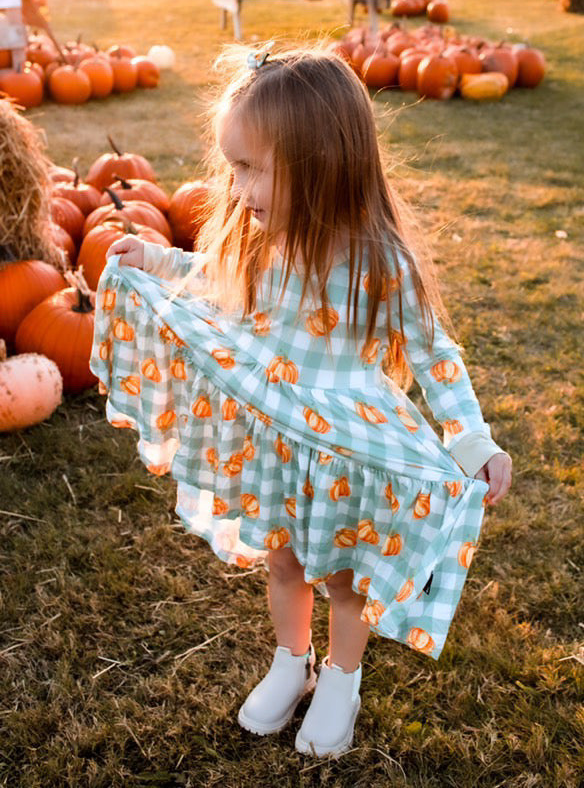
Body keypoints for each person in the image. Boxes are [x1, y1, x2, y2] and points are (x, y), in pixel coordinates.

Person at [90, 43, 512, 758]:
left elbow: (434, 354)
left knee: (344, 574)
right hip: (280, 434)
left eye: (252, 169)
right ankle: (293, 663)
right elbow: (212, 278)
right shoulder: (259, 236)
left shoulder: (381, 259)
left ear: (321, 163)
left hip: (347, 444)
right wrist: (157, 260)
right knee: (283, 560)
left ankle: (341, 678)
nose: (238, 186)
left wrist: (470, 439)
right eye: (235, 167)